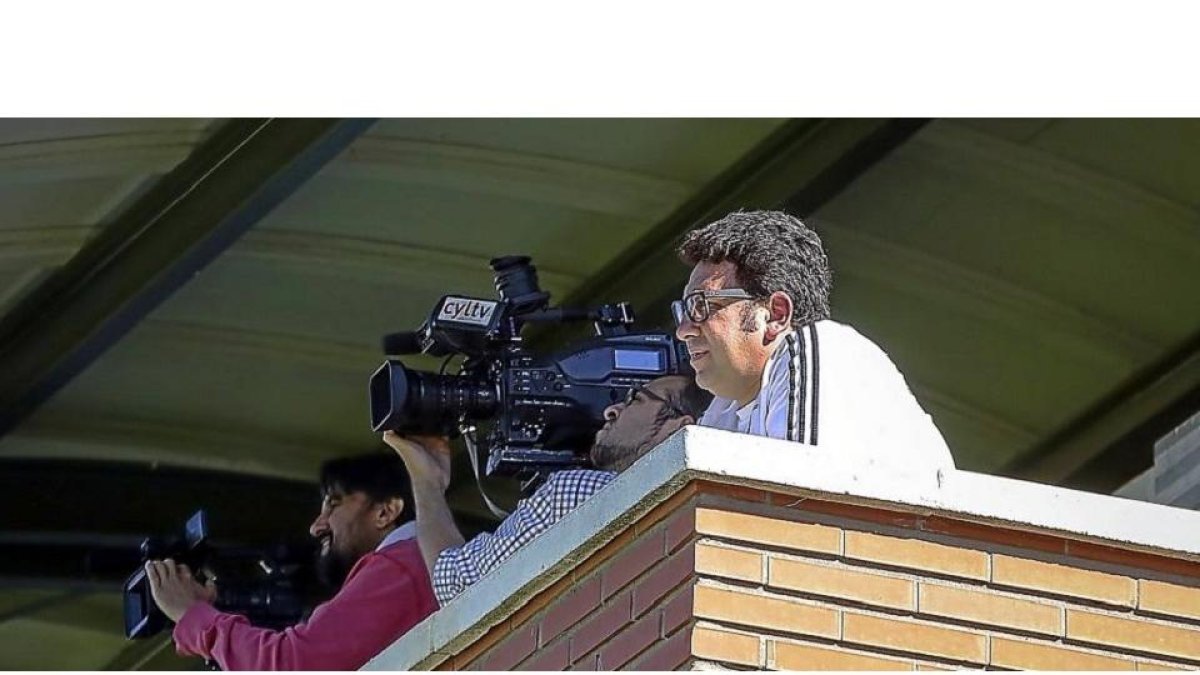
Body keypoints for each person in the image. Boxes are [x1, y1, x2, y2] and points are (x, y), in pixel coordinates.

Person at [384, 374, 711, 606]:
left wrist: (427, 482)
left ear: (679, 427)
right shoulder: (700, 513)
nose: (611, 411)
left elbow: (457, 582)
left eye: (636, 399)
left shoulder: (578, 492)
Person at [674, 209, 954, 469]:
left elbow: (798, 505)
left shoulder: (819, 350)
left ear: (776, 315)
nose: (683, 329)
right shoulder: (725, 407)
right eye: (682, 310)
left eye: (701, 305)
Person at [144, 452, 437, 670]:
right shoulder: (411, 567)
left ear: (386, 512)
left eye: (334, 504)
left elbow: (293, 664)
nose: (316, 526)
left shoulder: (399, 567)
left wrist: (194, 618)